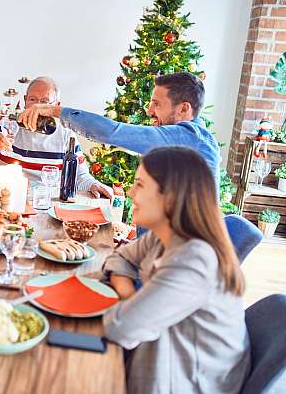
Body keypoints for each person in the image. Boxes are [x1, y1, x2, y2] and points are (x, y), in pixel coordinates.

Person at [101, 146, 250, 393]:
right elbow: (119, 258)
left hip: (185, 382)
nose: (129, 192)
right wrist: (132, 298)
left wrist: (134, 309)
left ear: (169, 197)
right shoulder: (166, 235)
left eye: (139, 185)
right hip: (158, 360)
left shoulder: (195, 261)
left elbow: (121, 328)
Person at [19, 72, 221, 187]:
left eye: (157, 104)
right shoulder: (190, 139)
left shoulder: (188, 138)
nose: (149, 110)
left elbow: (112, 132)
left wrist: (54, 110)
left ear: (184, 108)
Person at [0, 77, 112, 199]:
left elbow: (80, 176)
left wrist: (94, 184)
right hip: (7, 198)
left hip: (46, 202)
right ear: (24, 100)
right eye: (32, 99)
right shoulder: (8, 125)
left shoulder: (65, 134)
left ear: (57, 106)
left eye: (44, 101)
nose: (36, 107)